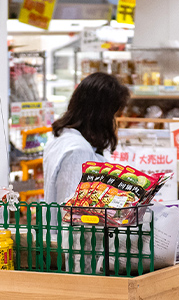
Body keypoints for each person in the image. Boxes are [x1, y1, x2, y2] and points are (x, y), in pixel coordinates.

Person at [43, 72, 130, 207]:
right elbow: (71, 212)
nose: (115, 122)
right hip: (74, 227)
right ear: (102, 115)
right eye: (114, 115)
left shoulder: (61, 137)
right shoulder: (78, 150)